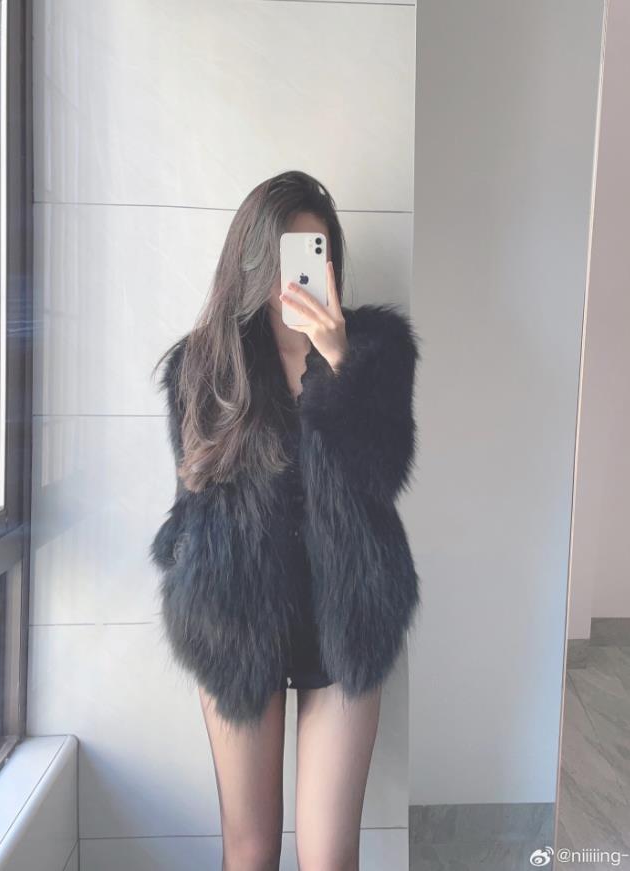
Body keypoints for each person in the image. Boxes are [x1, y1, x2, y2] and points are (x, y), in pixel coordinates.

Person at [149, 169, 421, 871]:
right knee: (249, 849)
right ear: (250, 260)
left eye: (313, 253)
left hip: (346, 615)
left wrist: (339, 365)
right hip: (236, 616)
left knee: (329, 855)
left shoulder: (377, 349)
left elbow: (384, 475)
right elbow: (193, 494)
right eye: (281, 254)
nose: (294, 274)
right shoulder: (203, 364)